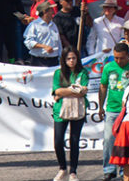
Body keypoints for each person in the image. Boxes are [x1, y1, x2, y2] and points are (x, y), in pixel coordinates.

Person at [98, 43, 129, 181]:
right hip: (112, 109)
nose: (118, 61)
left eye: (121, 58)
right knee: (109, 139)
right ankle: (109, 170)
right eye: (116, 57)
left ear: (128, 55)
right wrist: (100, 106)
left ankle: (124, 170)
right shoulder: (109, 67)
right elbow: (103, 86)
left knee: (127, 142)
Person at [52, 47, 88, 181]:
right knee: (58, 141)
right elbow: (56, 91)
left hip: (78, 109)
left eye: (73, 58)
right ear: (64, 60)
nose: (71, 61)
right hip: (60, 110)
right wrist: (74, 89)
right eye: (68, 58)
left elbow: (83, 90)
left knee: (74, 140)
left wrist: (64, 91)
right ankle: (62, 168)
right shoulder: (58, 73)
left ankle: (73, 171)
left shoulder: (83, 72)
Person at [23, 1, 62, 67]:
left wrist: (61, 57)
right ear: (44, 12)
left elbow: (58, 42)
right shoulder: (34, 25)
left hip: (54, 61)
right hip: (39, 61)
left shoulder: (53, 25)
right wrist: (44, 46)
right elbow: (28, 42)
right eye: (51, 10)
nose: (53, 12)